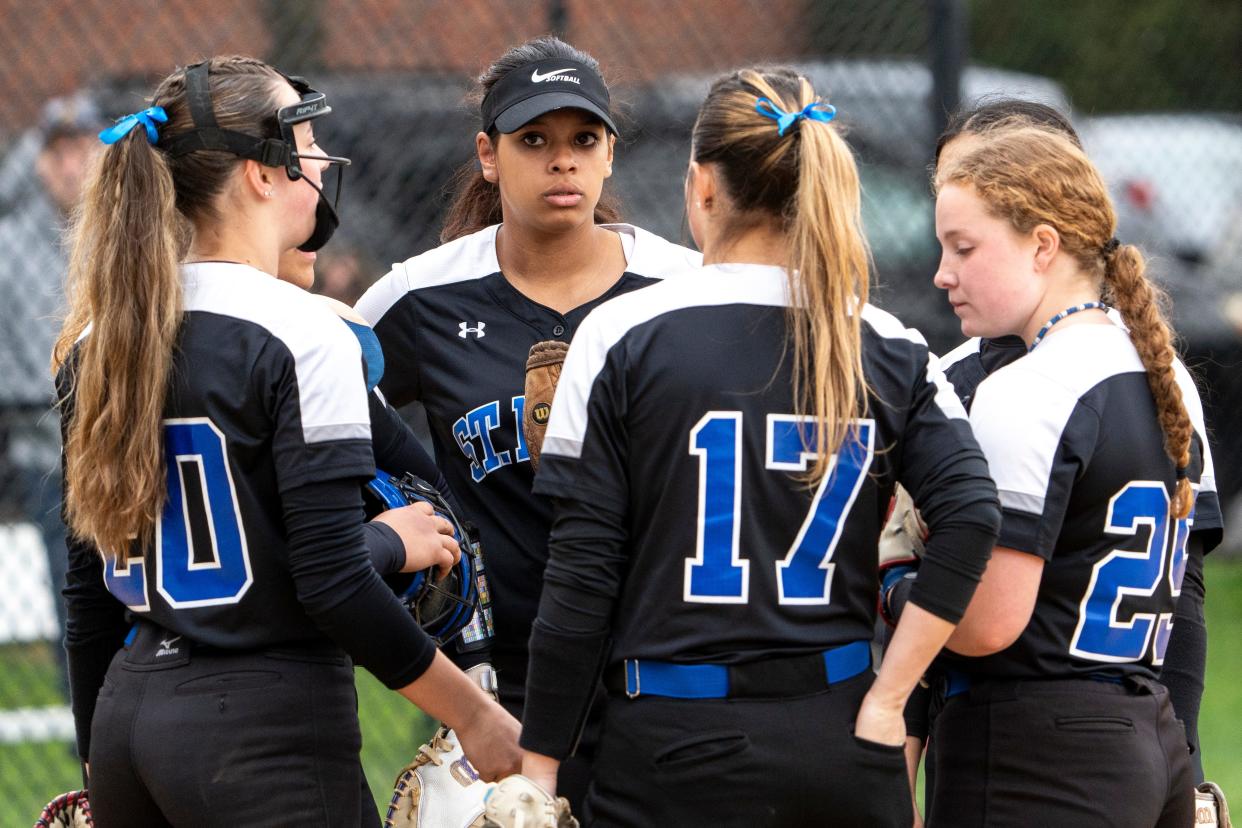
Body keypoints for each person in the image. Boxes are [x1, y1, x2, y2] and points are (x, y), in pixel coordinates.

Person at [504, 66, 1001, 827]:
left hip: (672, 746)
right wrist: (891, 697)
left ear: (703, 186)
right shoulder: (886, 342)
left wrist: (538, 770)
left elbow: (580, 578)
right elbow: (972, 515)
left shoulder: (621, 335)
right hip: (840, 742)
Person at [53, 55, 519, 825]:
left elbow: (86, 594)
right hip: (260, 723)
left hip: (128, 709)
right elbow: (330, 580)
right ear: (260, 174)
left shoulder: (98, 337)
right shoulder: (301, 332)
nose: (318, 161)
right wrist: (474, 711)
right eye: (304, 141)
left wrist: (99, 759)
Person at [355, 35, 701, 802]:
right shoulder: (422, 298)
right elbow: (325, 417)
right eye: (533, 140)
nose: (562, 160)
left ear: (610, 153)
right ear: (488, 153)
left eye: (584, 139)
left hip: (663, 669)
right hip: (502, 683)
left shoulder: (682, 287)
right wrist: (405, 517)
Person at [926, 121, 1218, 827]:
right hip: (1150, 732)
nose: (943, 272)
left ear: (1043, 245)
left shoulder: (1027, 387)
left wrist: (897, 579)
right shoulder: (1163, 368)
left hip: (1042, 751)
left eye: (964, 247)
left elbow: (987, 624)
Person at [0, 94, 101, 696]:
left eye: (81, 148)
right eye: (57, 152)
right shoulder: (10, 247)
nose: (70, 165)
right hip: (47, 455)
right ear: (38, 162)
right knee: (74, 590)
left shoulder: (117, 232)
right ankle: (83, 726)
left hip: (125, 441)